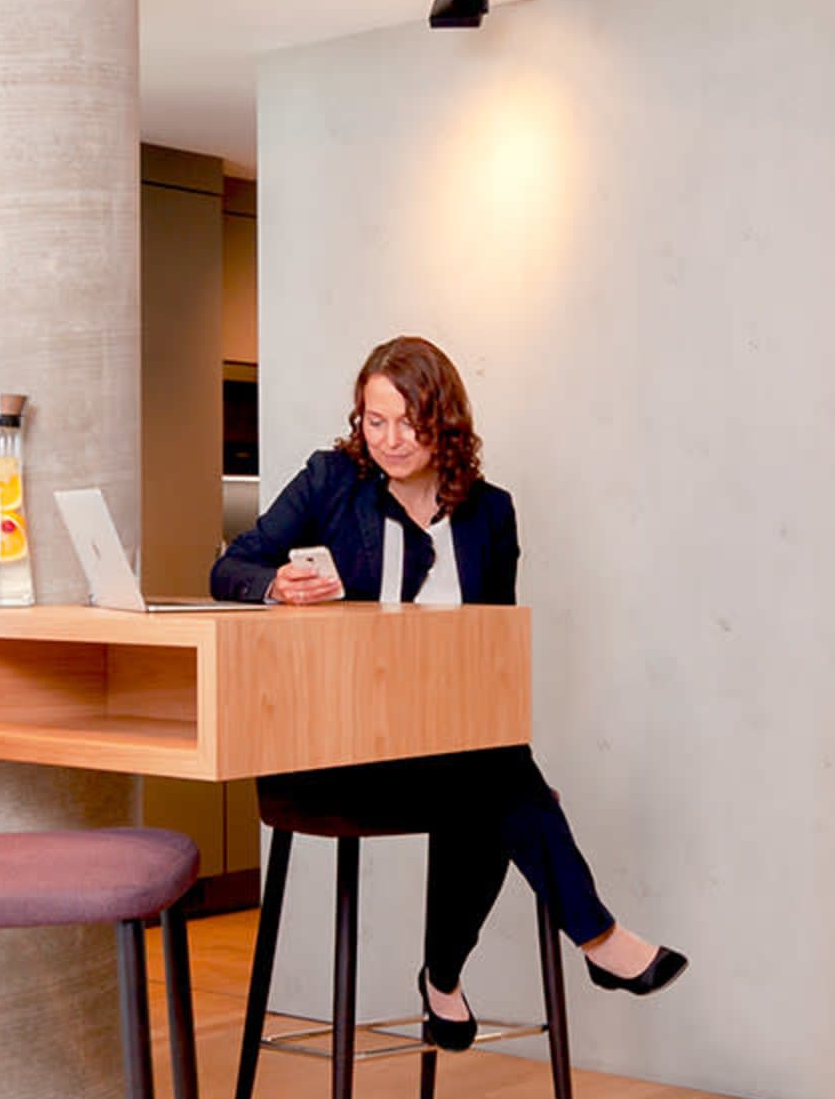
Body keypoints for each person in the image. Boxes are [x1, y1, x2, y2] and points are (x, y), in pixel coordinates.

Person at [211, 336, 686, 1043]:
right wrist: (275, 585)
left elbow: (488, 657)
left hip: (449, 751)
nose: (392, 441)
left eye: (411, 422)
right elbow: (228, 569)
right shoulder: (330, 481)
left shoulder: (491, 514)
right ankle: (587, 941)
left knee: (488, 768)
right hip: (339, 750)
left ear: (446, 421)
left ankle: (445, 981)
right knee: (503, 783)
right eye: (375, 422)